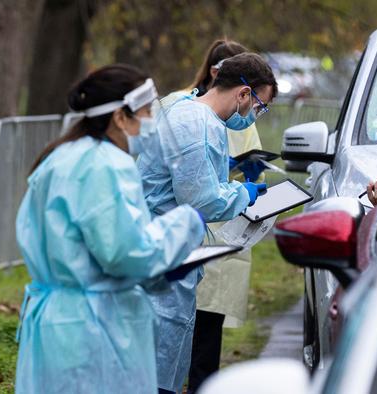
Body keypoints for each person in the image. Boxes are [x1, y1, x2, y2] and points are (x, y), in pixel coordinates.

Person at [14, 64, 205, 394]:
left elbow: (97, 243)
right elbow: (127, 254)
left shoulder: (61, 156)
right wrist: (183, 226)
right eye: (146, 111)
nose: (151, 121)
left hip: (59, 323)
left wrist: (158, 274)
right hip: (94, 328)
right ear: (120, 116)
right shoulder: (106, 166)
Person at [136, 52, 277, 394]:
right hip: (165, 256)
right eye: (259, 106)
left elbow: (192, 180)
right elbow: (200, 200)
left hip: (166, 249)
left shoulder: (188, 109)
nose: (254, 115)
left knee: (163, 357)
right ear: (243, 94)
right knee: (157, 365)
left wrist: (229, 181)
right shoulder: (199, 124)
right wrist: (242, 195)